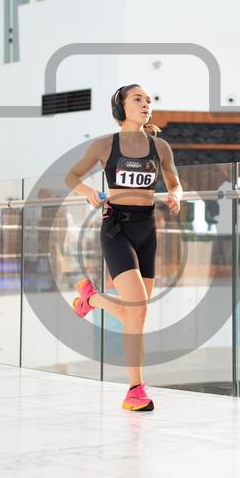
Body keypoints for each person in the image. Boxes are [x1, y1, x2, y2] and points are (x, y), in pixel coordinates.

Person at [64, 84, 183, 412]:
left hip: (148, 230)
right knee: (138, 309)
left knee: (137, 315)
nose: (146, 104)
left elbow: (175, 183)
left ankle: (92, 299)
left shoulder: (160, 147)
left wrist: (176, 196)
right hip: (117, 230)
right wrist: (89, 192)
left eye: (149, 100)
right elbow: (71, 176)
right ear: (121, 107)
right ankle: (135, 389)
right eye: (138, 99)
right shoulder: (105, 145)